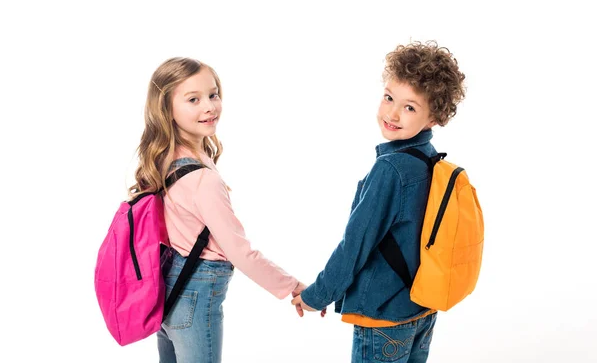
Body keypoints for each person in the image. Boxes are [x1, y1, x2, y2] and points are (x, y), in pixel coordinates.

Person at [292, 41, 466, 363]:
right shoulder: (429, 161)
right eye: (389, 98)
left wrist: (317, 295)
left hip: (384, 316)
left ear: (434, 118)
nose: (392, 113)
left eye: (410, 107)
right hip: (421, 309)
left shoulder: (391, 170)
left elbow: (355, 245)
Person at [128, 57, 308, 363]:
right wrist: (292, 286)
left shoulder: (164, 159)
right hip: (194, 296)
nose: (209, 107)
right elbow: (240, 251)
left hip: (167, 288)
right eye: (193, 100)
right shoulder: (202, 179)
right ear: (166, 109)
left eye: (213, 95)